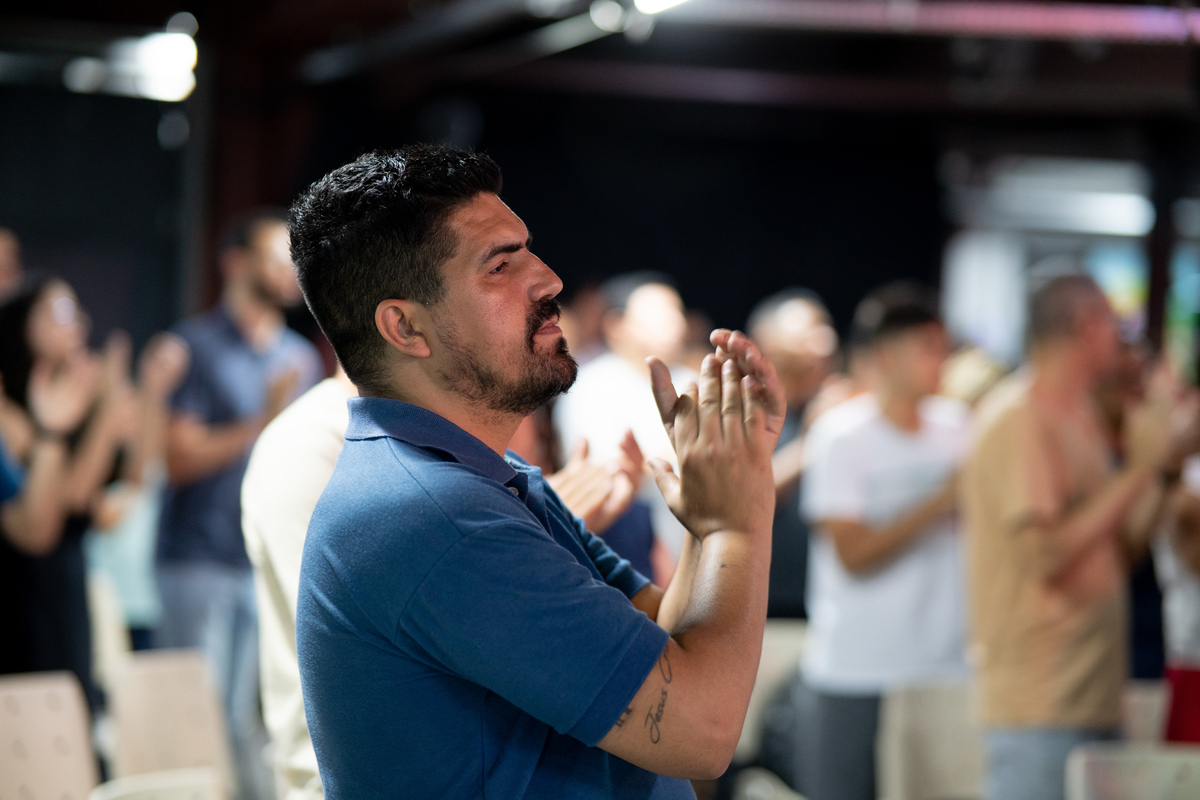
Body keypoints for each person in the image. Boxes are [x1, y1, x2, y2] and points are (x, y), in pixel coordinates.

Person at [288, 145, 784, 799]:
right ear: (405, 326)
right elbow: (702, 731)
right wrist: (738, 521)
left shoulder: (489, 482)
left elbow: (657, 650)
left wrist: (705, 523)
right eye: (501, 265)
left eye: (529, 250)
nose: (548, 279)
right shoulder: (433, 517)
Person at [962, 274, 1185, 800]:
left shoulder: (1079, 415)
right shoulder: (1018, 417)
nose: (1121, 337)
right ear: (1086, 325)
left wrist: (1160, 471)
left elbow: (1118, 548)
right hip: (1042, 703)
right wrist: (1140, 470)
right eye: (1114, 322)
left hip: (1096, 694)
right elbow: (1047, 555)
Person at [157, 208, 322, 800]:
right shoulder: (194, 346)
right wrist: (263, 421)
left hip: (264, 558)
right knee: (195, 721)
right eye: (274, 256)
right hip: (197, 555)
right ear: (235, 262)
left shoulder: (299, 358)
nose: (287, 270)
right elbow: (177, 460)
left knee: (257, 721)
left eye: (291, 258)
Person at [795, 284, 969, 800]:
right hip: (856, 669)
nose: (941, 361)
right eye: (928, 347)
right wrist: (938, 502)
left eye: (943, 347)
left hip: (945, 667)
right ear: (888, 354)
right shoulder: (843, 435)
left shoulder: (960, 427)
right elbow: (852, 554)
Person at [0, 275, 139, 711]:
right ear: (20, 327)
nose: (76, 325)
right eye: (60, 314)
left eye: (76, 314)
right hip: (20, 590)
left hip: (66, 584)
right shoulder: (12, 411)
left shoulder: (70, 402)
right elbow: (56, 512)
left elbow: (113, 487)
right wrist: (70, 425)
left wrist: (115, 403)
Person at [553, 272, 695, 581]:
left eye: (677, 313)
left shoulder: (690, 381)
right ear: (616, 326)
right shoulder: (591, 385)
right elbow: (605, 467)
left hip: (687, 537)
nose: (676, 325)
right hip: (620, 542)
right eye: (660, 317)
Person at [746, 289, 838, 619]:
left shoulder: (835, 406)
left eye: (825, 329)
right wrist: (816, 442)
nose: (825, 343)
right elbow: (745, 496)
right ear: (767, 344)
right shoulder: (743, 410)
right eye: (809, 334)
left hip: (824, 605)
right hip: (765, 609)